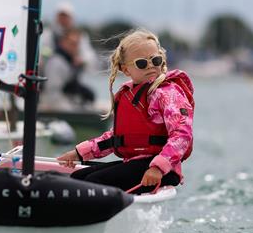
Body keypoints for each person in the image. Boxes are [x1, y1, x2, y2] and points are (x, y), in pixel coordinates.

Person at [57, 29, 194, 194]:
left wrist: (158, 167)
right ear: (126, 70)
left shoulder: (167, 93)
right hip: (136, 163)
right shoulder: (129, 94)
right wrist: (79, 153)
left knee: (93, 182)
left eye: (156, 60)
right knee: (78, 177)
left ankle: (96, 217)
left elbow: (182, 134)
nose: (151, 65)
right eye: (142, 63)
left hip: (162, 168)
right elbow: (115, 138)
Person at [40, 29, 96, 110]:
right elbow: (52, 93)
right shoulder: (56, 63)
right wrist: (74, 109)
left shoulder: (69, 61)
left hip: (66, 100)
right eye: (72, 44)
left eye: (77, 44)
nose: (75, 47)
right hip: (54, 104)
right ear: (62, 43)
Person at [40, 1, 99, 73]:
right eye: (61, 16)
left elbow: (89, 56)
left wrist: (81, 60)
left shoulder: (80, 35)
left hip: (72, 72)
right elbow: (42, 51)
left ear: (71, 17)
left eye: (66, 16)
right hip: (52, 70)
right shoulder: (48, 34)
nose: (63, 19)